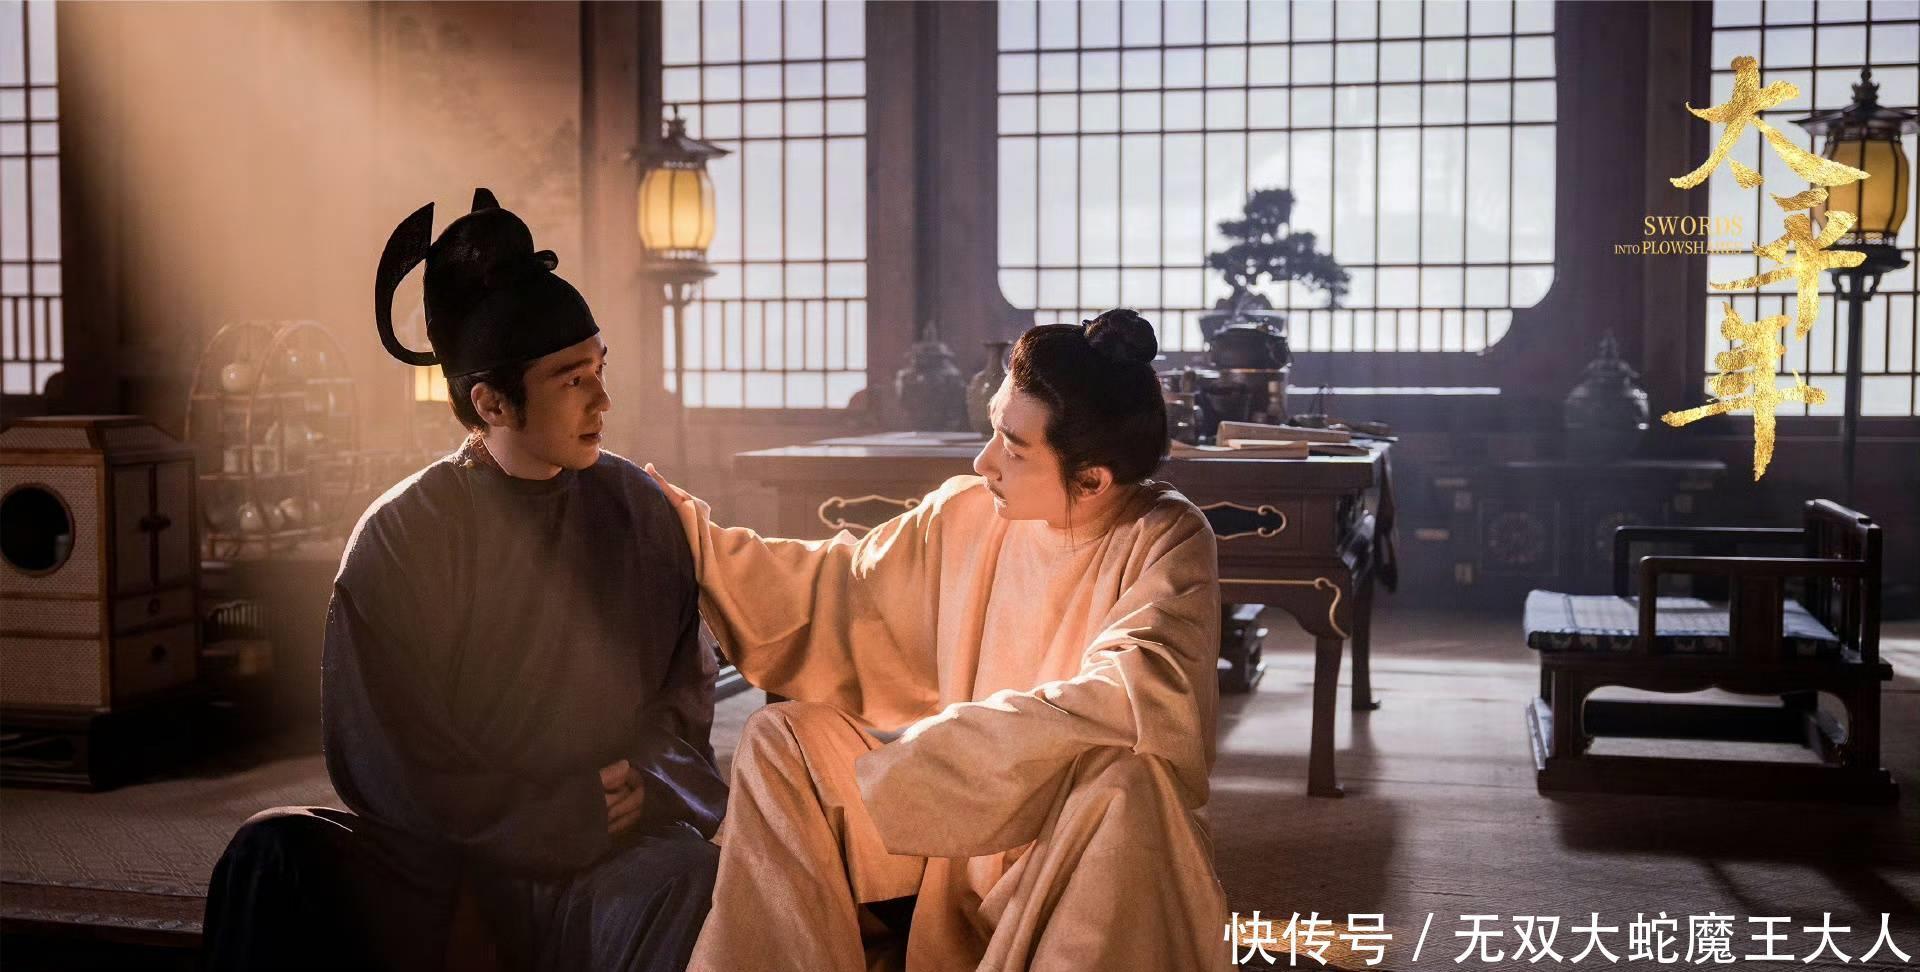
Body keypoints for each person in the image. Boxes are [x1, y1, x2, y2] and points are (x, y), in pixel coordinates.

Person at [202, 189, 725, 972]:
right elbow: (386, 761)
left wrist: (646, 784)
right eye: (571, 380)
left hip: (607, 845)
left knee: (692, 877)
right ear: (491, 401)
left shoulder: (640, 511)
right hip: (448, 860)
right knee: (269, 853)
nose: (603, 400)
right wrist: (548, 818)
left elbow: (684, 701)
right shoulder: (401, 536)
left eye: (600, 368)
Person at [648, 310, 1232, 972]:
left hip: (1067, 840)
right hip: (947, 811)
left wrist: (940, 753)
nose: (985, 462)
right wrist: (696, 540)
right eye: (993, 430)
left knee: (1128, 784)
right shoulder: (968, 512)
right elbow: (840, 584)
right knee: (781, 740)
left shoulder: (1165, 536)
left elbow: (1136, 694)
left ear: (1093, 479)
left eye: (1013, 448)